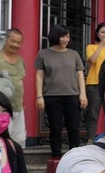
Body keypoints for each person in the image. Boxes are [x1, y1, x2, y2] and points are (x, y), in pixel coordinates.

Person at [34, 24, 87, 158]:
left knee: (74, 128)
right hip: (52, 97)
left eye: (68, 37)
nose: (66, 39)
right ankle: (56, 156)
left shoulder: (74, 54)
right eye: (63, 36)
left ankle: (74, 156)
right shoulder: (43, 54)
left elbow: (80, 75)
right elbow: (39, 76)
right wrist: (39, 96)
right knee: (55, 128)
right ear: (55, 36)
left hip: (73, 96)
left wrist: (83, 94)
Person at [0, 29, 26, 147]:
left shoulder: (21, 61)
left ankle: (18, 164)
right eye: (13, 41)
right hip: (1, 108)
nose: (16, 45)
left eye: (19, 42)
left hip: (18, 107)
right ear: (6, 39)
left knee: (19, 141)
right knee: (2, 141)